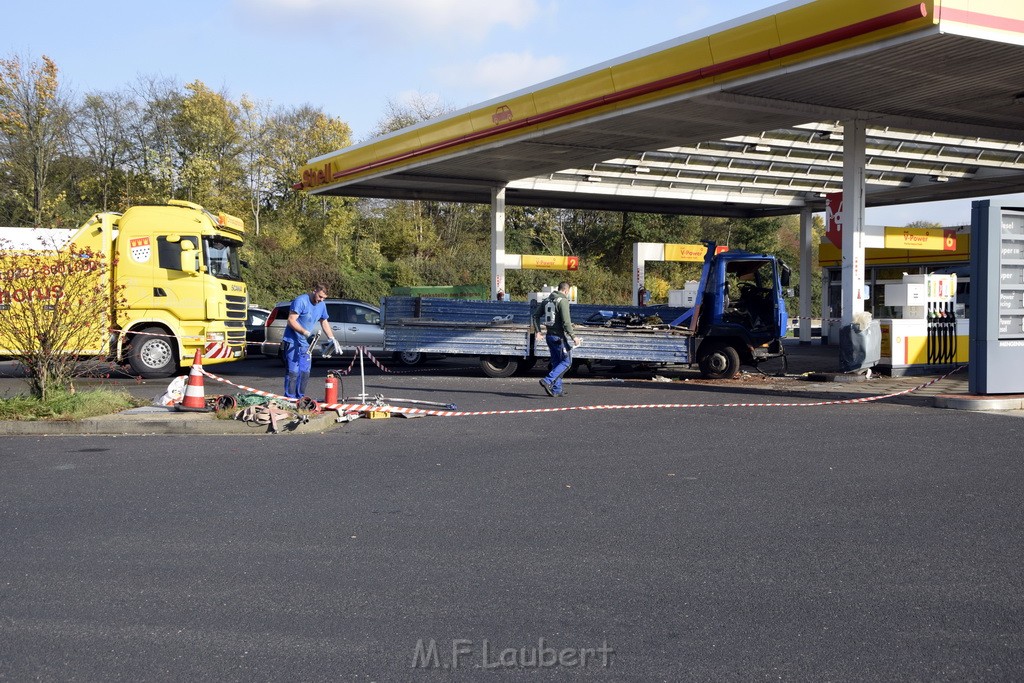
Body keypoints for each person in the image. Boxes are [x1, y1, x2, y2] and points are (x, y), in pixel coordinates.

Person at [282, 284, 342, 400]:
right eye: (320, 296)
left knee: (304, 372)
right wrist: (305, 332)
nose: (321, 300)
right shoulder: (301, 301)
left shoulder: (322, 305)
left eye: (324, 298)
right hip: (292, 342)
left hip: (306, 345)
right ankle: (290, 399)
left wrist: (332, 338)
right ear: (314, 291)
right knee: (293, 372)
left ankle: (300, 398)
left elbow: (324, 321)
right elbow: (291, 320)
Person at [532, 281, 582, 398]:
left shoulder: (547, 300)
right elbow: (566, 322)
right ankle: (547, 380)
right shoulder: (563, 301)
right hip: (559, 337)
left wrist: (538, 331)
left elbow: (535, 316)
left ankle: (557, 389)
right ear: (566, 290)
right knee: (567, 362)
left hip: (549, 336)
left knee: (556, 362)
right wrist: (574, 337)